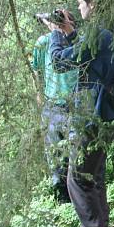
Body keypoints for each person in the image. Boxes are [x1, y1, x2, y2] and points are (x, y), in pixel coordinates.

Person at [49, 0, 114, 227]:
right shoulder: (106, 30)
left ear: (92, 3)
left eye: (81, 4)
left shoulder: (98, 33)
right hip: (103, 112)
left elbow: (59, 62)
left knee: (77, 178)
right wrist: (69, 32)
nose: (79, 9)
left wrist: (56, 35)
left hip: (94, 115)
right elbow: (85, 52)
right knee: (93, 176)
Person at [32, 11, 78, 203]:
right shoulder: (43, 42)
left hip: (76, 105)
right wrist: (39, 96)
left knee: (77, 156)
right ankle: (62, 198)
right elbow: (36, 69)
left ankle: (78, 195)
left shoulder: (78, 41)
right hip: (52, 105)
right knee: (56, 156)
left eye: (63, 18)